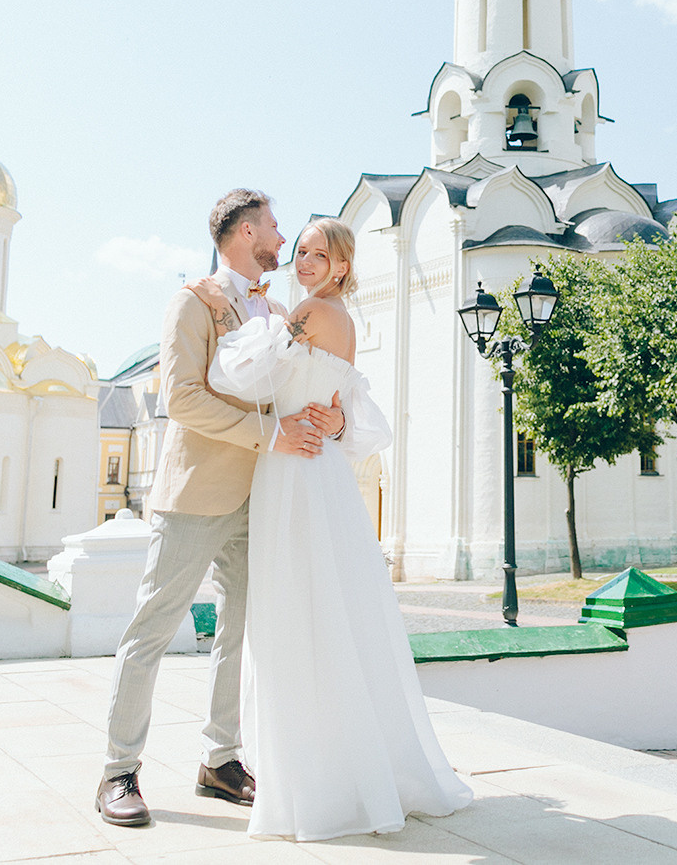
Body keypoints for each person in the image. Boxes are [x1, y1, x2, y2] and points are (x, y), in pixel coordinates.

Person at [195, 218, 473, 841]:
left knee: (294, 612)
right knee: (328, 610)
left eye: (320, 255)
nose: (305, 262)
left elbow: (239, 376)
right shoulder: (342, 319)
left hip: (292, 467)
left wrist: (241, 317)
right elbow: (346, 407)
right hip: (317, 469)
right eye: (300, 252)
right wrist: (336, 415)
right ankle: (338, 767)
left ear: (343, 265)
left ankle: (311, 782)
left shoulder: (310, 314)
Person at [95, 191, 345, 828]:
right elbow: (182, 400)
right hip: (197, 494)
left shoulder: (277, 307)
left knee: (238, 631)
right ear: (242, 232)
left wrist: (335, 417)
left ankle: (221, 759)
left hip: (262, 495)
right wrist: (270, 436)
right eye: (272, 224)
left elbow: (303, 385)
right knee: (153, 629)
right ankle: (118, 771)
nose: (282, 234)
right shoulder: (191, 301)